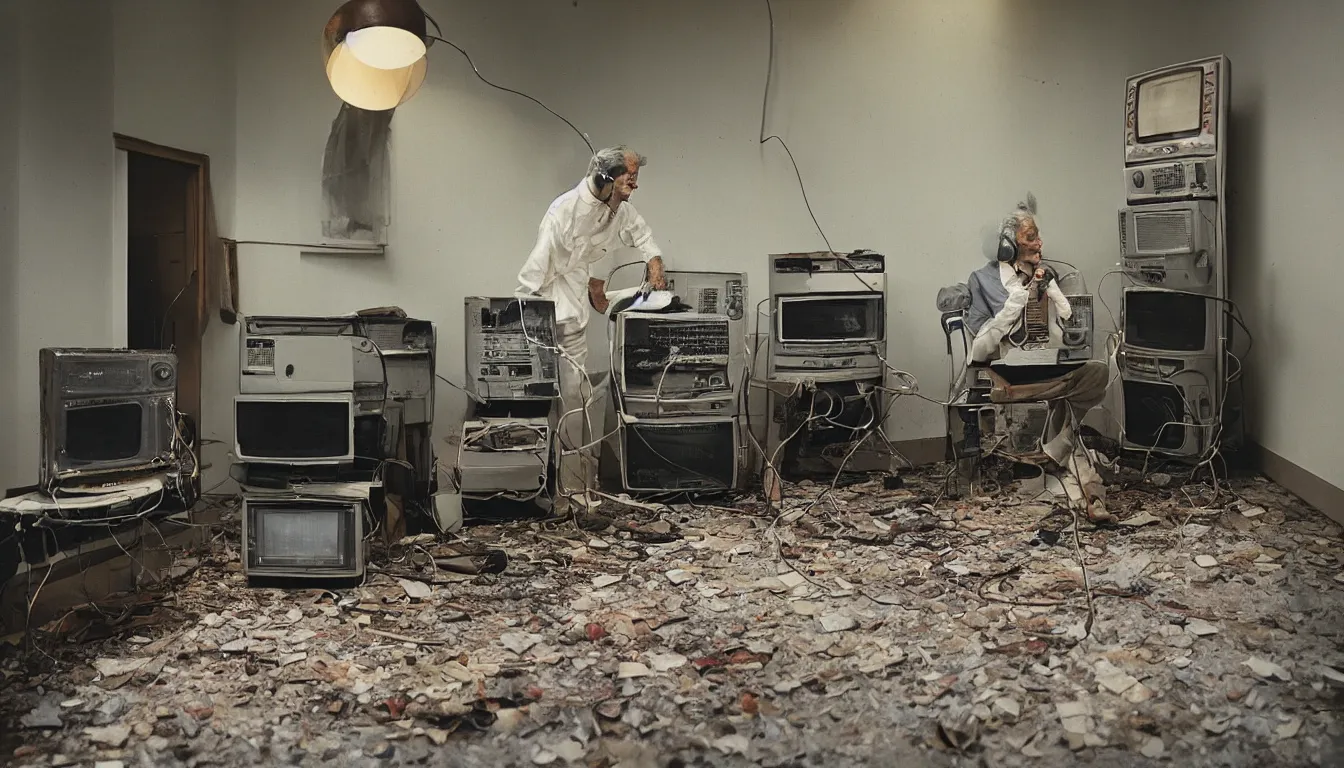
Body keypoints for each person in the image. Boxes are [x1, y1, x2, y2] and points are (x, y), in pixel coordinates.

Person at [516, 146, 667, 515]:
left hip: (577, 308)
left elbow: (641, 234)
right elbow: (533, 271)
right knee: (557, 399)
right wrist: (526, 317)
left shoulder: (619, 209)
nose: (633, 184)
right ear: (604, 178)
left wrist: (655, 265)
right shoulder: (565, 210)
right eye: (628, 177)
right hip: (549, 308)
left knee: (579, 397)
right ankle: (559, 492)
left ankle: (578, 489)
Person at [964, 194, 1114, 523]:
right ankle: (1085, 486)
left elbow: (1062, 334)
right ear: (1006, 245)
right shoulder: (983, 281)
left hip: (1051, 368)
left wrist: (1068, 326)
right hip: (1008, 374)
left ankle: (1053, 453)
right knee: (1069, 411)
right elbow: (977, 351)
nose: (1040, 242)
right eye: (1031, 237)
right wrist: (1013, 306)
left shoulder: (1048, 275)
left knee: (1100, 371)